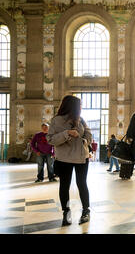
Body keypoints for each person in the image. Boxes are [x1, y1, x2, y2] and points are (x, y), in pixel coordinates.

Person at [47, 95, 92, 226]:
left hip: (81, 156)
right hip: (64, 158)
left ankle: (86, 211)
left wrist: (84, 141)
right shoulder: (56, 120)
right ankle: (66, 212)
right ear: (72, 106)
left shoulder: (81, 120)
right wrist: (67, 133)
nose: (81, 108)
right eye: (80, 105)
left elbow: (89, 134)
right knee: (64, 185)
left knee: (82, 184)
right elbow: (50, 139)